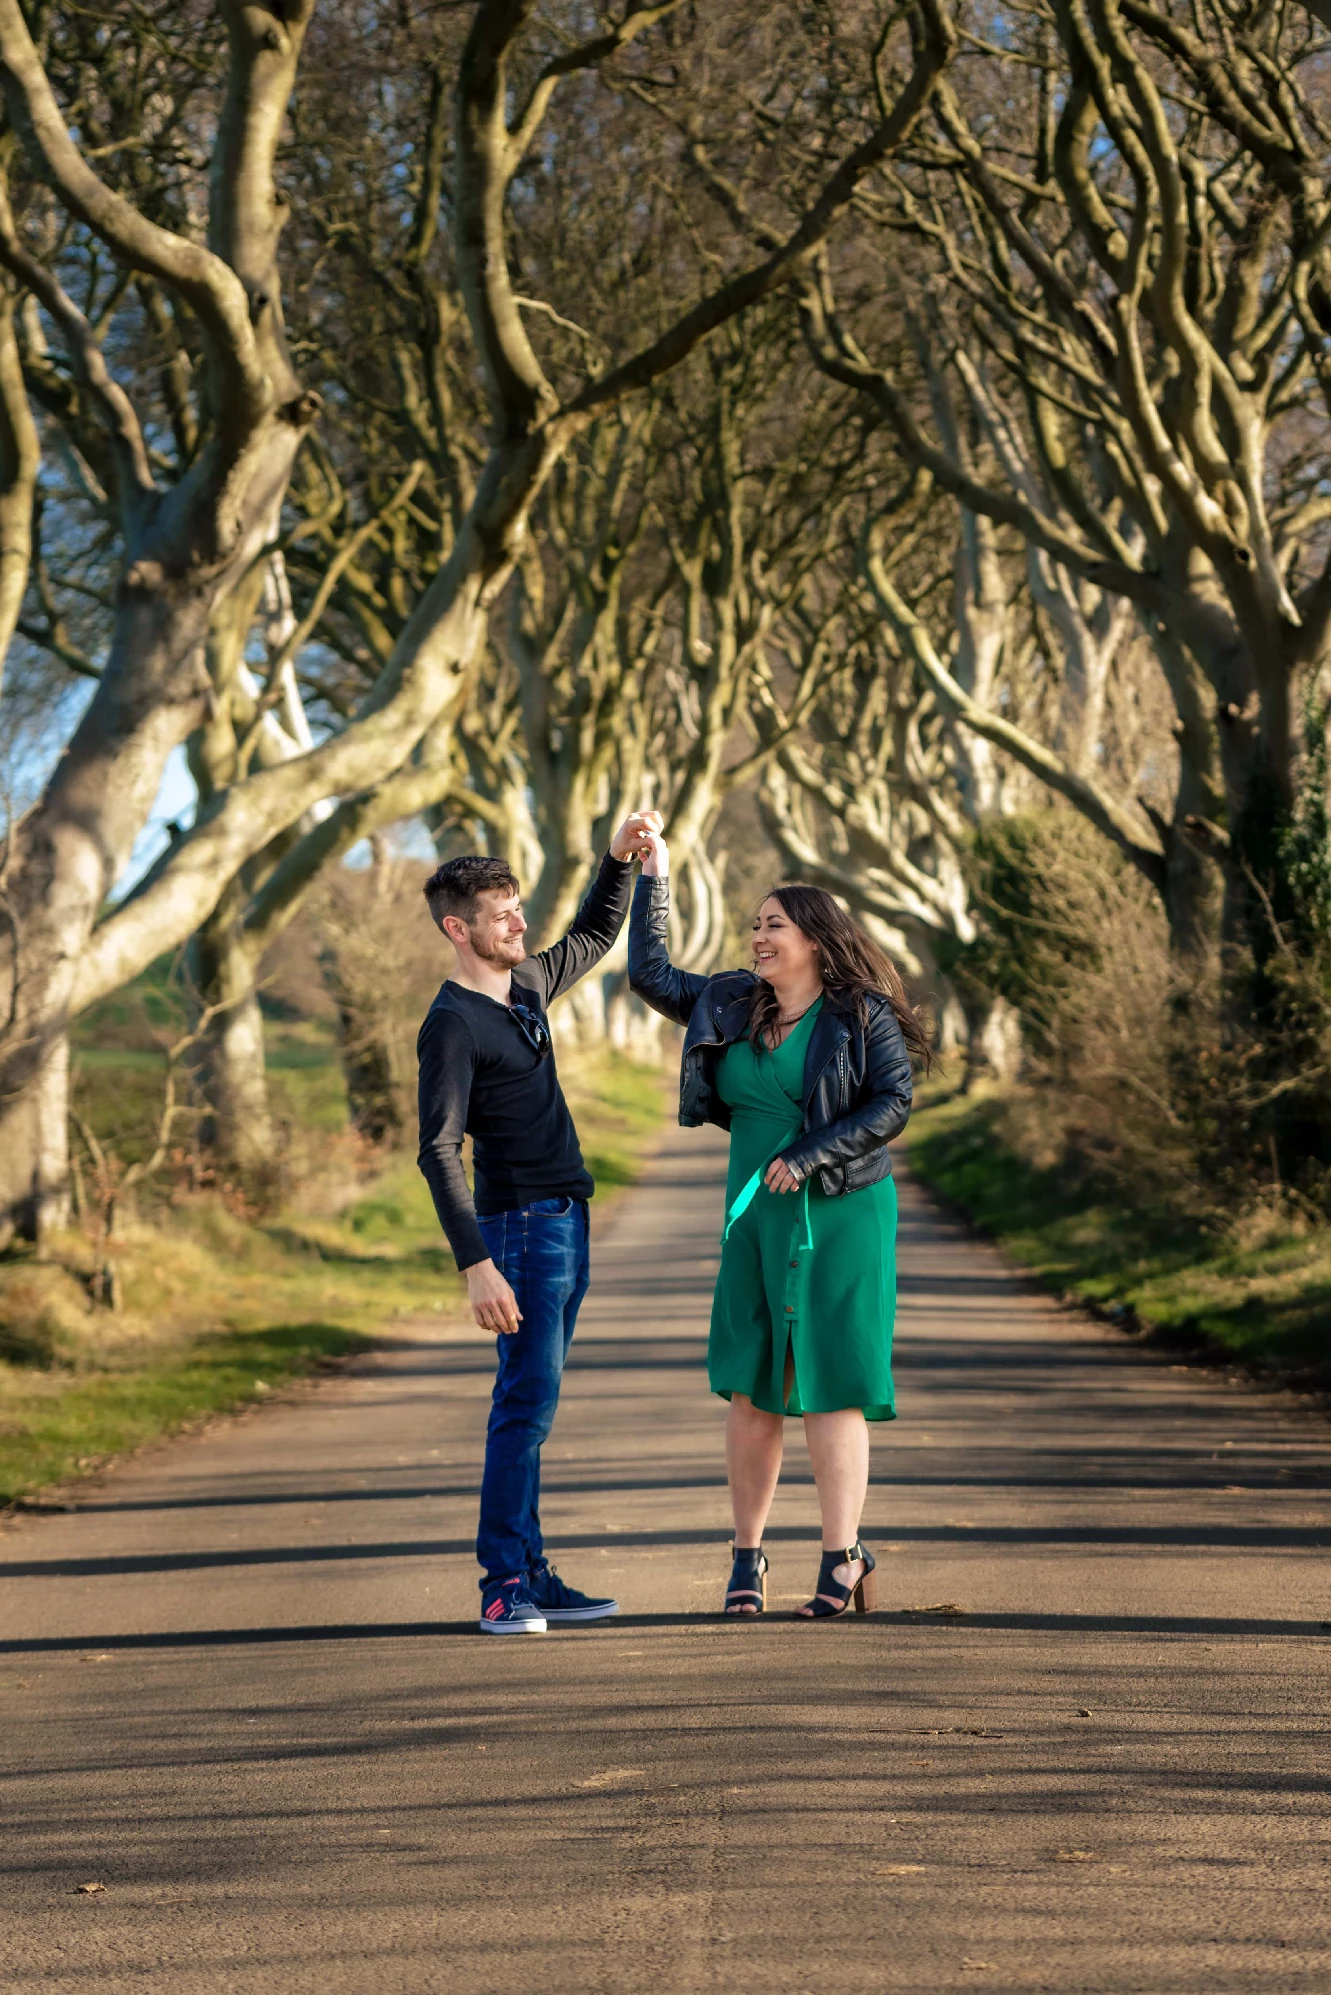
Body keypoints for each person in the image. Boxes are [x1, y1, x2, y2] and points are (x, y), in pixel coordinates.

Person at [628, 832, 929, 1618]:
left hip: (841, 1212)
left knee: (831, 1379)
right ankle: (746, 1556)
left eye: (774, 925)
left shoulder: (859, 1013)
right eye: (754, 924)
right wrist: (651, 876)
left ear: (816, 941)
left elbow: (891, 1103)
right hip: (754, 1214)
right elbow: (648, 973)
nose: (757, 937)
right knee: (753, 1384)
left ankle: (841, 1555)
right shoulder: (729, 1000)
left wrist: (810, 1151)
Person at [418, 814, 661, 1634]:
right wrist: (474, 1263)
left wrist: (617, 861)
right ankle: (501, 1585)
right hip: (518, 1230)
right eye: (501, 914)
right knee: (522, 1406)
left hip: (566, 1219)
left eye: (518, 906)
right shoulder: (451, 1024)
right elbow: (438, 1149)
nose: (519, 922)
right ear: (459, 929)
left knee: (536, 1406)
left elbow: (594, 932)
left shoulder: (523, 986)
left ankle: (531, 1570)